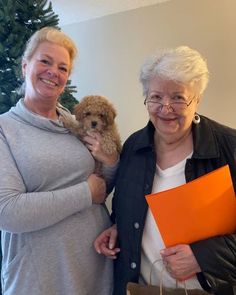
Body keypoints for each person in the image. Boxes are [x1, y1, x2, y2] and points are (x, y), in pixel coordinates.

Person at [94, 46, 236, 295]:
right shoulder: (133, 146)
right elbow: (126, 209)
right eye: (156, 97)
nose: (165, 107)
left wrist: (203, 258)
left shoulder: (229, 146)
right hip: (140, 289)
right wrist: (119, 229)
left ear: (197, 99)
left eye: (178, 97)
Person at [0, 27, 118, 295]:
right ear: (25, 65)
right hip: (42, 276)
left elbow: (102, 187)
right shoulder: (5, 129)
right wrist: (84, 193)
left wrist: (111, 162)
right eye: (45, 61)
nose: (54, 71)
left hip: (96, 265)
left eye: (63, 67)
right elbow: (7, 212)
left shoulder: (76, 124)